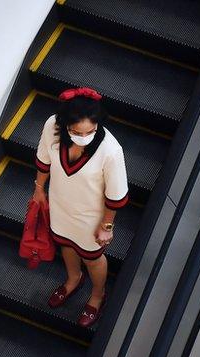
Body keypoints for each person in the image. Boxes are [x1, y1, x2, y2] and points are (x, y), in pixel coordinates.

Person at [32, 87, 128, 328]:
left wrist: (107, 226)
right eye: (76, 132)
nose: (83, 137)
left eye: (90, 131)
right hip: (61, 204)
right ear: (65, 125)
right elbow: (44, 160)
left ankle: (97, 295)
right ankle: (73, 279)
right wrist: (39, 189)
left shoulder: (111, 151)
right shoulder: (52, 127)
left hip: (90, 216)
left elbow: (115, 196)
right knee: (65, 242)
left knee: (93, 257)